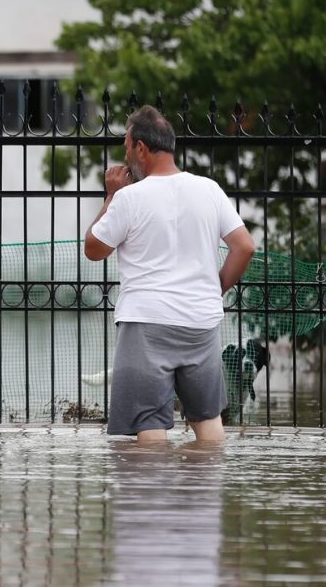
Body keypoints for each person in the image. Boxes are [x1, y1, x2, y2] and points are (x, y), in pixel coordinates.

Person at [84, 105, 255, 443]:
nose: (126, 155)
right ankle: (204, 492)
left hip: (147, 322)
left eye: (127, 147)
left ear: (141, 148)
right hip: (201, 322)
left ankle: (154, 494)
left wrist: (110, 196)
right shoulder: (209, 190)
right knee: (208, 423)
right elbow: (245, 247)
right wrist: (213, 288)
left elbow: (94, 248)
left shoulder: (128, 198)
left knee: (149, 427)